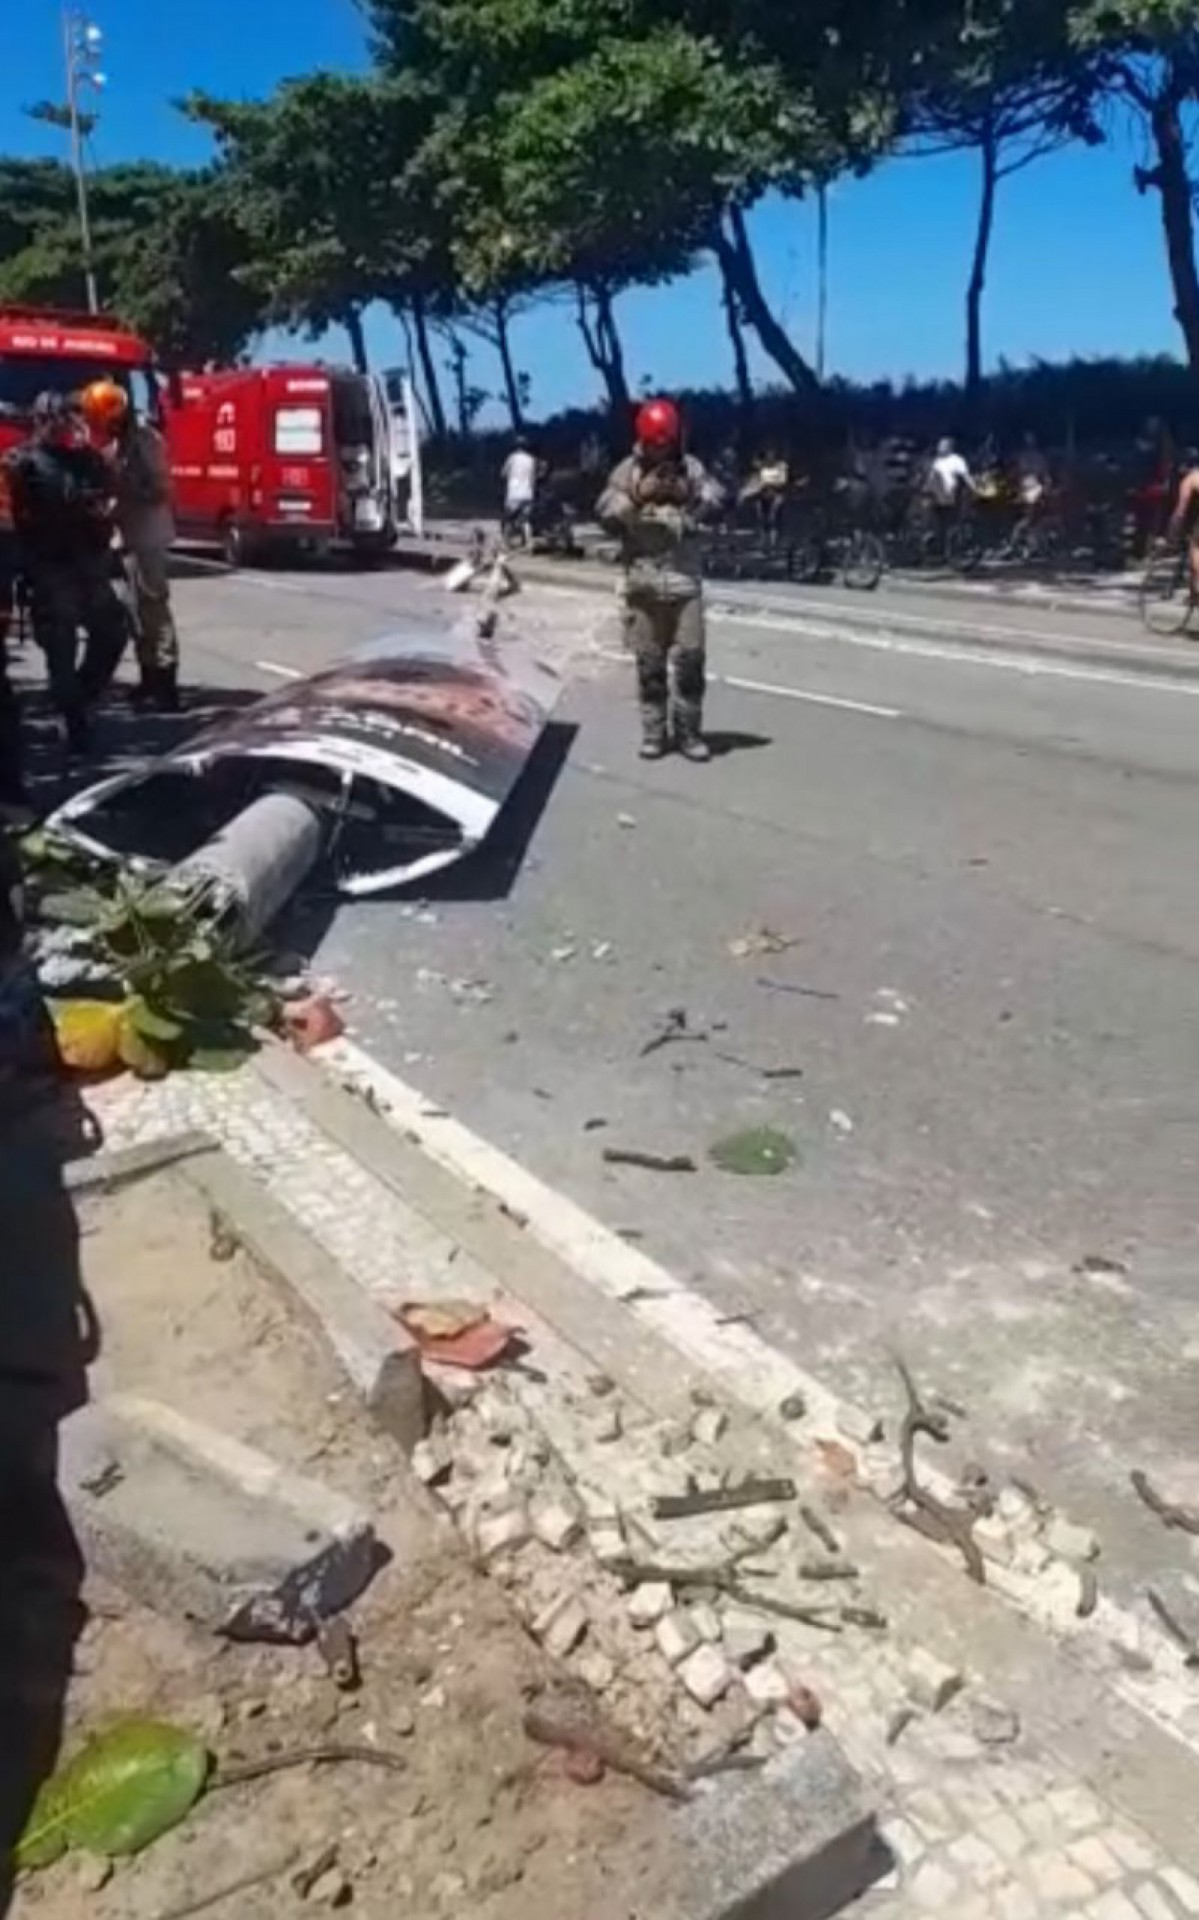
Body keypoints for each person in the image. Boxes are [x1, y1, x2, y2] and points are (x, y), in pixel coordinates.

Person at [596, 396, 723, 761]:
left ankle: (689, 734)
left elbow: (717, 499)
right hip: (644, 584)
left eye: (667, 442)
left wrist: (692, 504)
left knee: (690, 664)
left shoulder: (692, 468)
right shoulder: (627, 472)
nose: (662, 451)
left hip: (685, 583)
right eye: (655, 444)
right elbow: (604, 514)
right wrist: (637, 498)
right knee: (649, 666)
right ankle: (654, 733)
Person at [5, 391, 127, 756]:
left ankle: (80, 700)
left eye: (69, 418)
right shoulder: (21, 464)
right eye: (57, 418)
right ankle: (73, 720)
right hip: (48, 568)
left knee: (113, 631)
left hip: (89, 563)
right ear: (41, 421)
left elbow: (111, 491)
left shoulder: (88, 460)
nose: (64, 425)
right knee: (61, 648)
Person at [81, 379, 179, 711]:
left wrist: (123, 487)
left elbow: (160, 490)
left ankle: (166, 684)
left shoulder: (146, 442)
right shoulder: (117, 445)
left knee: (153, 608)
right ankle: (148, 677)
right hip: (126, 537)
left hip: (147, 536)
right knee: (135, 613)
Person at [926, 436, 976, 552]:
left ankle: (950, 549)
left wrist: (974, 487)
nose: (940, 448)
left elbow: (966, 476)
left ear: (950, 448)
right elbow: (931, 478)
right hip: (938, 497)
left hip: (952, 497)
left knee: (951, 524)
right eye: (940, 445)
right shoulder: (937, 461)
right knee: (938, 525)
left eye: (943, 445)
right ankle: (938, 548)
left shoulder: (957, 460)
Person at [1167, 449, 1199, 591]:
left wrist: (1173, 528)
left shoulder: (1190, 479)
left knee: (1196, 547)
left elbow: (1181, 509)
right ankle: (1193, 593)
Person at [500, 436, 538, 546]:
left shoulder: (512, 458)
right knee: (526, 520)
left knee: (508, 519)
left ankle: (506, 542)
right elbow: (533, 478)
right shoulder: (531, 459)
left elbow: (503, 473)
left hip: (514, 493)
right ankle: (529, 543)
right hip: (528, 493)